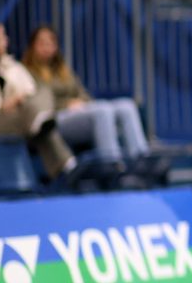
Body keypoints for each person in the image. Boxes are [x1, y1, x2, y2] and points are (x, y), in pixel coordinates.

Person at [21, 26, 166, 183]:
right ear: (32, 45)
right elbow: (37, 105)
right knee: (102, 110)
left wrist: (82, 102)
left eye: (51, 43)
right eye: (42, 43)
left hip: (79, 113)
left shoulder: (62, 70)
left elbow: (82, 92)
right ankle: (112, 166)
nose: (47, 47)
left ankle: (140, 159)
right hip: (54, 120)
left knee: (126, 105)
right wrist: (66, 105)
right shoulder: (26, 72)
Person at [0, 23, 77, 181]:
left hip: (16, 118)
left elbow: (30, 90)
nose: (7, 40)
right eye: (2, 37)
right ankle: (69, 167)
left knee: (42, 95)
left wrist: (18, 99)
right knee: (38, 124)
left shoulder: (11, 66)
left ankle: (63, 163)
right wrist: (1, 106)